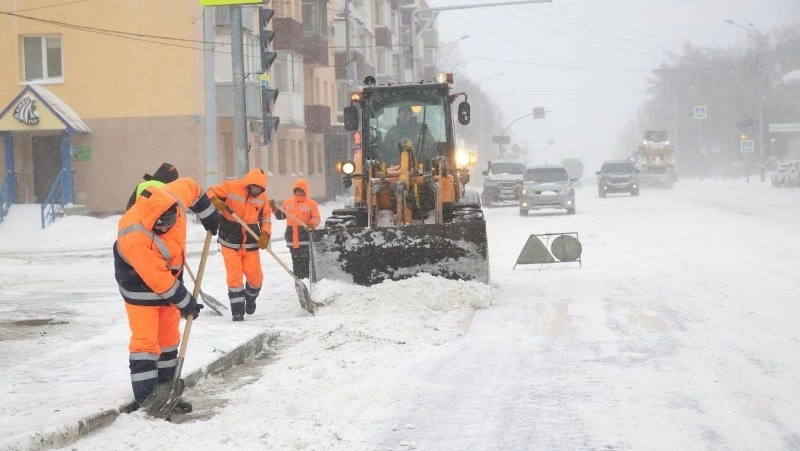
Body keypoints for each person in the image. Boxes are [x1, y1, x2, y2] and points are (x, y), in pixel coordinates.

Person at [113, 177, 220, 413]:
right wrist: (185, 302)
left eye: (171, 222)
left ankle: (166, 393)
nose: (167, 229)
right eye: (161, 226)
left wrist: (208, 213)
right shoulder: (137, 237)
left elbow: (192, 187)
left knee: (169, 340)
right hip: (138, 286)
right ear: (152, 221)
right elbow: (158, 280)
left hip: (170, 280)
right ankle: (148, 401)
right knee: (146, 344)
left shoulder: (171, 199)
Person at [206, 169, 272, 322]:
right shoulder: (231, 187)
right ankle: (237, 312)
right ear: (248, 183)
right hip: (229, 240)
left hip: (251, 242)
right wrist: (215, 200)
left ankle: (250, 299)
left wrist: (266, 235)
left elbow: (266, 218)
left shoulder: (262, 198)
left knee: (255, 278)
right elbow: (209, 191)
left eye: (259, 189)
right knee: (234, 278)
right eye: (254, 187)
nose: (256, 191)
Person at [270, 179, 321, 280]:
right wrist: (274, 209)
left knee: (305, 261)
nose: (299, 193)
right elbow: (281, 216)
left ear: (305, 191)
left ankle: (306, 280)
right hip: (292, 239)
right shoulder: (288, 202)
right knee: (296, 262)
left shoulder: (311, 204)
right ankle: (298, 281)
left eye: (301, 191)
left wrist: (311, 224)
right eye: (297, 191)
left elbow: (317, 218)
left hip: (304, 237)